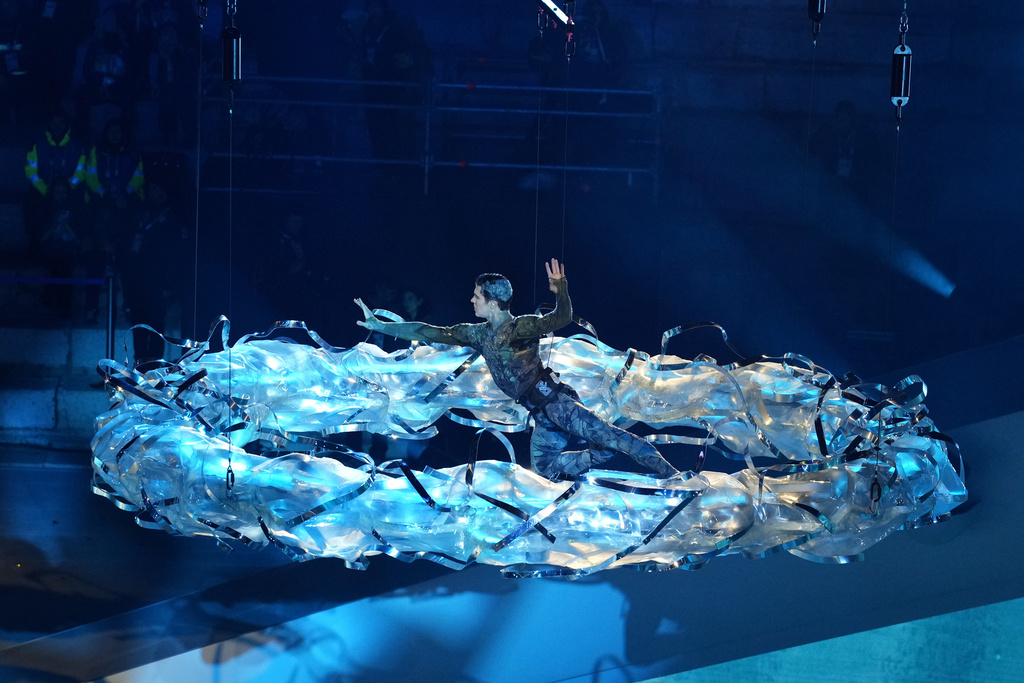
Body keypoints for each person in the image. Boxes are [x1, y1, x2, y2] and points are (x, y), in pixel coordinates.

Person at [356, 258, 679, 480]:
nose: (472, 300)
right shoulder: (478, 333)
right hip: (539, 414)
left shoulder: (520, 328)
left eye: (476, 295)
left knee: (618, 438)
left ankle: (674, 477)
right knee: (547, 469)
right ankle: (603, 451)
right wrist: (382, 326)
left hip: (557, 404)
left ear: (493, 301)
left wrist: (560, 290)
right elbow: (430, 331)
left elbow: (559, 320)